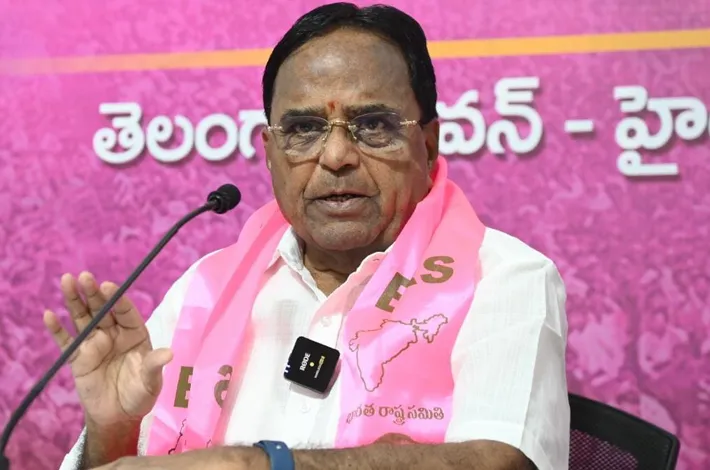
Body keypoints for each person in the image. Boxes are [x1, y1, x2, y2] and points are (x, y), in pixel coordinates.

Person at [49, 3, 569, 469]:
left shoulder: (503, 277)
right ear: (270, 153)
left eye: (373, 124)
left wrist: (259, 465)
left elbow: (499, 460)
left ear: (428, 145)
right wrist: (113, 428)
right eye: (303, 130)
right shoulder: (205, 290)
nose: (336, 156)